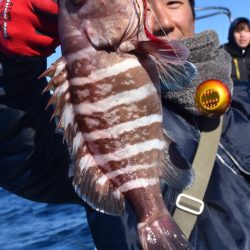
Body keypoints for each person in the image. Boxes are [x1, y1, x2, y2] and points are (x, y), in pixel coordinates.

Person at [0, 1, 250, 250]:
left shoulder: (245, 104)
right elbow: (24, 160)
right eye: (144, 5)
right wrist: (12, 64)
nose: (161, 21)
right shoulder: (85, 125)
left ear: (193, 13)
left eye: (173, 3)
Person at [223, 17, 250, 82]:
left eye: (247, 31)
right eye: (238, 31)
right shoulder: (222, 53)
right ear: (231, 34)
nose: (242, 35)